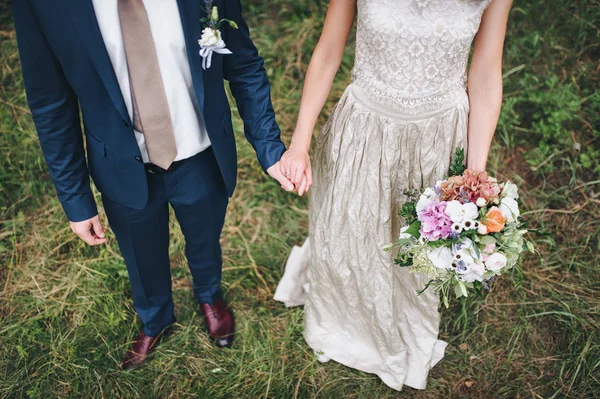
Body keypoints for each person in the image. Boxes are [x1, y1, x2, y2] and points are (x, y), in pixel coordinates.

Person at [13, 0, 294, 369]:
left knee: (206, 237)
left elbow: (243, 64)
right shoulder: (43, 6)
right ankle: (155, 318)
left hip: (201, 154)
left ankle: (209, 295)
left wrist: (270, 148)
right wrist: (76, 200)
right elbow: (51, 104)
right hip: (120, 166)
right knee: (140, 255)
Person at [275, 0, 513, 391]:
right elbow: (328, 51)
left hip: (438, 136)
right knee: (351, 232)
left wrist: (475, 172)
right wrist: (299, 143)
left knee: (415, 245)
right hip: (365, 127)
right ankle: (344, 318)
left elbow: (486, 72)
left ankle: (401, 321)